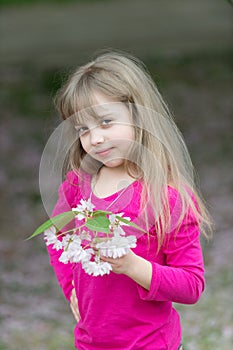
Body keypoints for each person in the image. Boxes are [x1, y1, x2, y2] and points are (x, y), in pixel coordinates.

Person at [45, 50, 212, 350]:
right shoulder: (77, 185)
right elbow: (59, 237)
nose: (94, 139)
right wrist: (71, 286)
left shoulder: (168, 198)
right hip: (90, 342)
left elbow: (191, 286)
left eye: (106, 122)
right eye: (83, 129)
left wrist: (134, 265)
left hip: (150, 343)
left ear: (139, 116)